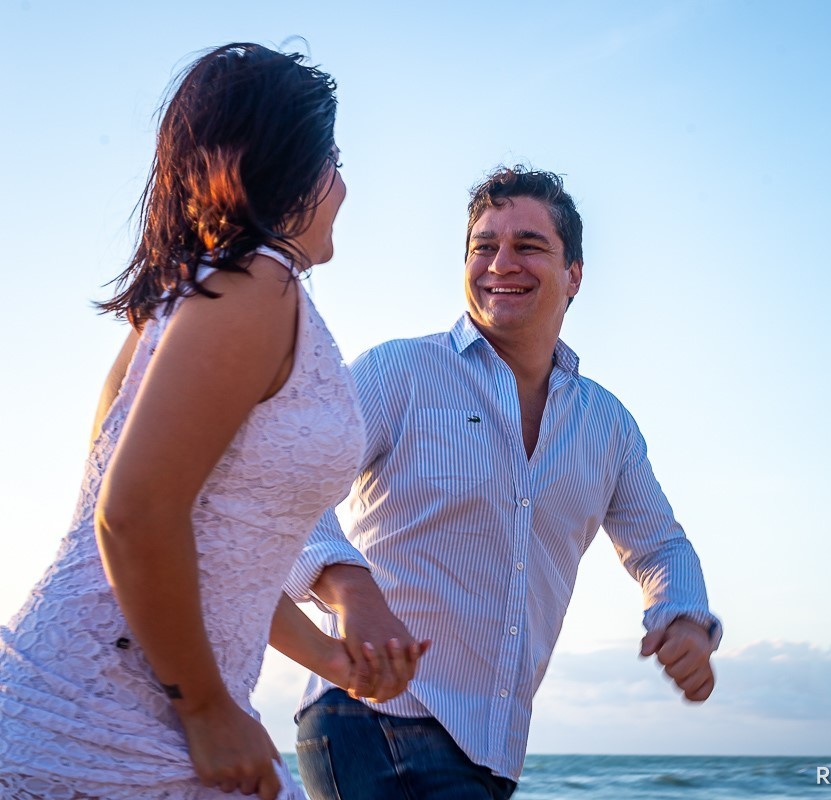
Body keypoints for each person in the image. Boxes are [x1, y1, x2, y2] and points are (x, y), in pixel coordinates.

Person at [0, 43, 421, 799]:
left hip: (102, 702)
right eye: (334, 158)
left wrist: (328, 659)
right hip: (109, 721)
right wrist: (206, 708)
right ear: (293, 164)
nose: (344, 185)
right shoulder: (256, 285)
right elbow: (130, 517)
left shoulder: (191, 301)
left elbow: (212, 547)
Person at [285, 166, 721, 799]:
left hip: (493, 750)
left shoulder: (608, 426)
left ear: (575, 274)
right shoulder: (399, 372)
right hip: (371, 718)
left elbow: (661, 546)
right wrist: (348, 587)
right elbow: (288, 485)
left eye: (528, 245)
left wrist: (683, 618)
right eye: (484, 246)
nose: (501, 263)